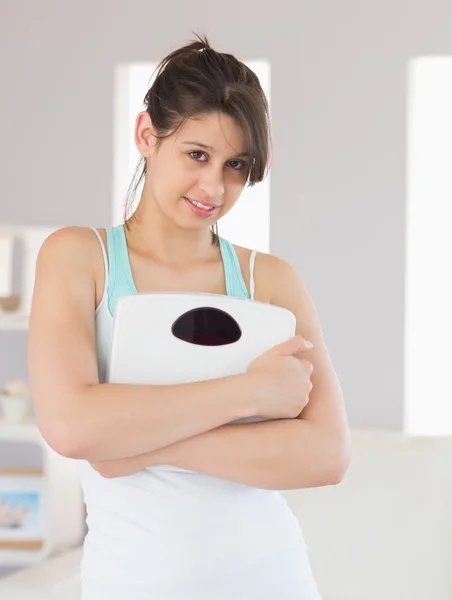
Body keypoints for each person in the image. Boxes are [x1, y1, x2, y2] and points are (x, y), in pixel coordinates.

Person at [28, 33, 350, 600]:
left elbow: (326, 455)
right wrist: (251, 393)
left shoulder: (269, 281)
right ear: (147, 135)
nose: (214, 187)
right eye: (196, 155)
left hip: (272, 579)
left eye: (235, 166)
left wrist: (140, 444)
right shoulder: (79, 257)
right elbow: (72, 425)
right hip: (131, 584)